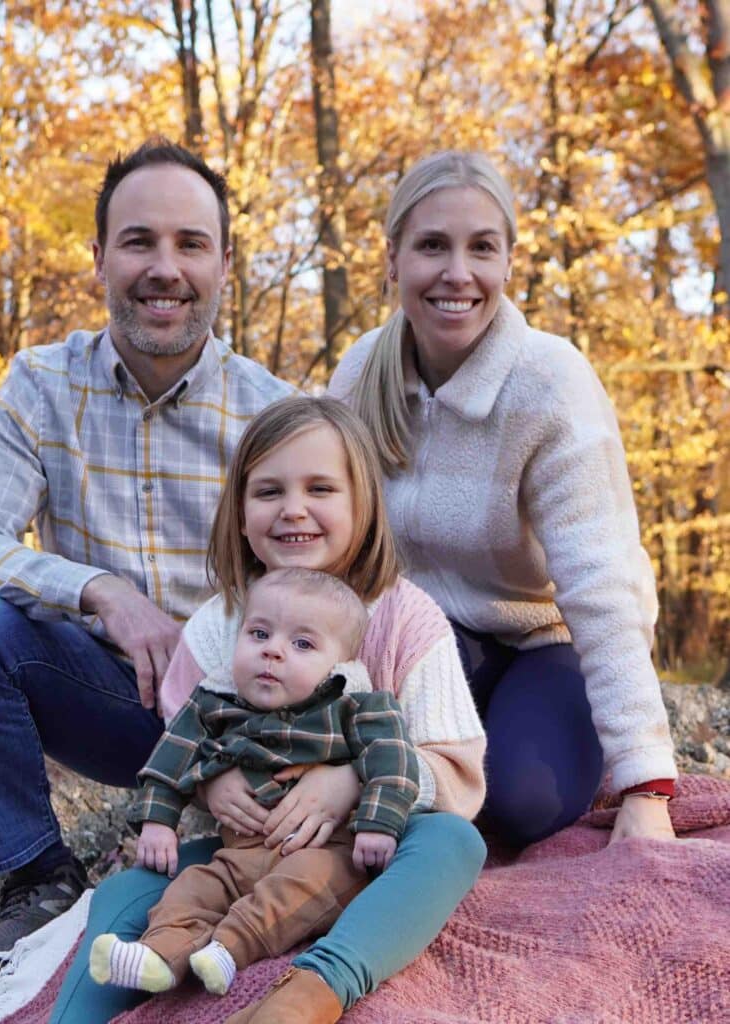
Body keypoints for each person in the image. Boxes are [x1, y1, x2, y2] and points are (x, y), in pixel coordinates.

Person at [0, 138, 292, 963]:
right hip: (105, 696)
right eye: (138, 241)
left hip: (244, 710)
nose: (165, 268)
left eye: (191, 244)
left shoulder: (276, 412)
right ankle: (37, 878)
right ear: (99, 258)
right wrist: (100, 591)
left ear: (224, 261)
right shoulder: (43, 385)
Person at [49, 395, 487, 1024]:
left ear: (362, 506)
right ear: (241, 512)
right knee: (125, 893)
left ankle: (314, 991)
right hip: (242, 853)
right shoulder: (216, 628)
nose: (294, 510)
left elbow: (460, 778)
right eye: (269, 491)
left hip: (364, 849)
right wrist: (212, 780)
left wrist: (352, 782)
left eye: (321, 488)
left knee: (453, 841)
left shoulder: (404, 618)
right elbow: (182, 748)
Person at [328, 150, 678, 849]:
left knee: (520, 803)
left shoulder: (550, 383)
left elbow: (601, 583)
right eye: (432, 246)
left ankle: (551, 741)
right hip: (428, 637)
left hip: (549, 635)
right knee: (343, 762)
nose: (458, 274)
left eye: (481, 248)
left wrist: (646, 784)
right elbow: (326, 536)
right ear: (392, 259)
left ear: (509, 262)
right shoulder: (362, 370)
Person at [88, 567, 420, 999]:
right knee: (191, 887)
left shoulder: (356, 706)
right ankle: (160, 955)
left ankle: (230, 947)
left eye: (302, 644)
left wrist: (379, 822)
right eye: (259, 634)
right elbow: (170, 759)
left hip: (323, 849)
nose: (273, 652)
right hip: (238, 853)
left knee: (306, 886)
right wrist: (157, 820)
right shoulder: (214, 703)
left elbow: (394, 760)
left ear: (340, 663)